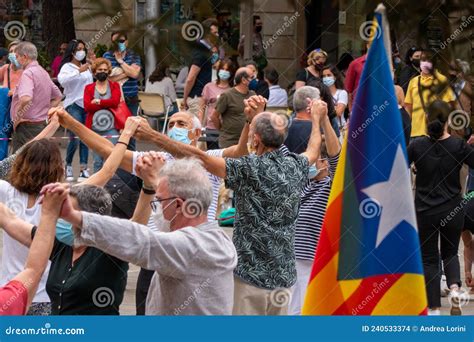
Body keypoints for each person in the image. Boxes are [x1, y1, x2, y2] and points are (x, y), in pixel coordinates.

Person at [134, 95, 326, 315]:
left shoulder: (247, 168)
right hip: (284, 277)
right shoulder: (296, 165)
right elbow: (313, 148)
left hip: (248, 277)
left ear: (255, 140)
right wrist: (318, 119)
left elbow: (200, 157)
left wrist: (152, 136)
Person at [53, 156, 238, 315]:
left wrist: (75, 217)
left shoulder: (194, 247)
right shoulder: (209, 237)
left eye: (159, 201)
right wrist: (153, 179)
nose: (156, 207)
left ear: (180, 205)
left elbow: (141, 240)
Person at [407, 100, 474, 315]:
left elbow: (397, 167)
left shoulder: (416, 145)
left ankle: (434, 309)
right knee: (451, 253)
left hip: (424, 211)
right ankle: (455, 288)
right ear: (449, 121)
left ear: (426, 119)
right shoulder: (458, 145)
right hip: (453, 209)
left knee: (429, 259)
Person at [288, 92, 341, 315]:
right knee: (293, 310)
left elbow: (335, 153)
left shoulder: (330, 186)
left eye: (321, 158)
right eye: (313, 157)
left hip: (318, 260)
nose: (317, 161)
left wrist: (324, 119)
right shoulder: (293, 181)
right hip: (291, 257)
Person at [0, 138, 64, 315]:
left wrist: (47, 131)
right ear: (58, 167)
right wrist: (124, 138)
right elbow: (105, 172)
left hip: (9, 292)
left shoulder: (6, 192)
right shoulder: (61, 201)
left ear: (21, 163)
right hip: (45, 296)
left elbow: (3, 166)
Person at [10, 42, 62, 152]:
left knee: (19, 163)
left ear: (24, 57)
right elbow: (58, 96)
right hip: (41, 124)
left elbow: (26, 98)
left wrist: (17, 118)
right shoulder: (42, 72)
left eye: (17, 56)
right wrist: (45, 110)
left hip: (26, 127)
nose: (16, 60)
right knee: (37, 161)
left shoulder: (28, 73)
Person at [58, 39, 93, 182]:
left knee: (85, 137)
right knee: (75, 137)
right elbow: (63, 81)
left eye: (83, 48)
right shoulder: (67, 67)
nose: (81, 51)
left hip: (87, 105)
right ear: (72, 51)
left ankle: (84, 168)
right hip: (73, 105)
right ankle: (68, 165)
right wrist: (79, 71)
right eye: (79, 49)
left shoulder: (87, 66)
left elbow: (91, 83)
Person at [405, 49, 456, 139]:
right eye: (423, 60)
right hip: (416, 133)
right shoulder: (413, 81)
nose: (426, 63)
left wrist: (445, 130)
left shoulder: (442, 80)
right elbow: (408, 106)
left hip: (437, 132)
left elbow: (447, 107)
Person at [83, 57, 122, 172]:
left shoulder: (115, 86)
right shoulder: (88, 88)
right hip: (94, 129)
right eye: (100, 70)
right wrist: (107, 104)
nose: (103, 72)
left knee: (110, 159)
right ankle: (96, 188)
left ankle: (111, 187)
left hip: (112, 129)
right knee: (97, 161)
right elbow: (87, 106)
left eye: (105, 70)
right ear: (94, 72)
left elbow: (115, 102)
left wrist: (98, 101)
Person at [181, 19, 220, 117]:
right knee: (195, 130)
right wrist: (184, 99)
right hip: (197, 98)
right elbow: (190, 78)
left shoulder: (207, 50)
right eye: (214, 33)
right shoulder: (200, 51)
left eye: (217, 32)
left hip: (205, 96)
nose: (217, 35)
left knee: (200, 129)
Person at [210, 67, 256, 148]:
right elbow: (214, 116)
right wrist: (222, 131)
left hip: (247, 142)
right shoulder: (227, 95)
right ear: (244, 80)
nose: (255, 80)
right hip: (229, 143)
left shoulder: (253, 95)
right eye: (252, 77)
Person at [103, 31, 141, 116]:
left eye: (121, 41)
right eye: (115, 42)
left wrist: (120, 61)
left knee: (133, 126)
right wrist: (127, 72)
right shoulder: (107, 56)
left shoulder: (134, 55)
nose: (118, 44)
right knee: (116, 127)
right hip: (113, 99)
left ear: (127, 42)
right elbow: (108, 78)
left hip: (131, 100)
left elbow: (135, 74)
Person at [200, 59, 235, 149]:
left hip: (227, 129)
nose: (224, 72)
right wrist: (200, 126)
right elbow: (202, 108)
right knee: (212, 155)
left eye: (227, 70)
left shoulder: (233, 89)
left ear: (231, 73)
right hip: (211, 128)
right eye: (222, 69)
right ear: (218, 70)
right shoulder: (209, 87)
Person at [322, 64, 348, 137]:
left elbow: (339, 112)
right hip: (324, 130)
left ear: (335, 77)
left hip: (339, 130)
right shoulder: (321, 93)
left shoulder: (342, 93)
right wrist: (333, 108)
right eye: (324, 76)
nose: (326, 78)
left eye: (329, 75)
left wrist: (322, 110)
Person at [344, 43, 369, 111]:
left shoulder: (383, 64)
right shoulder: (355, 64)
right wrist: (351, 111)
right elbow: (349, 91)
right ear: (368, 45)